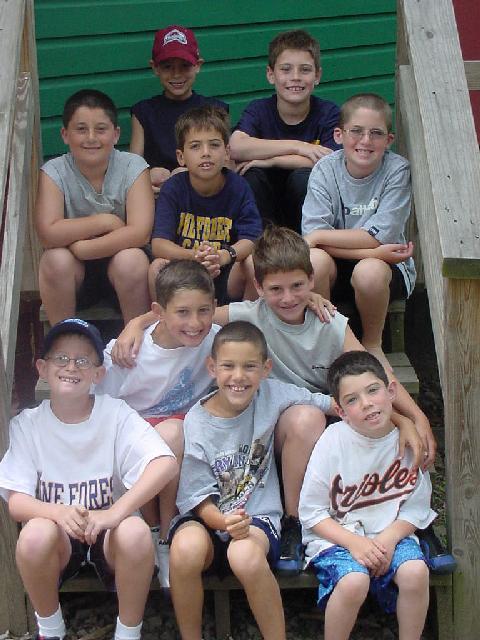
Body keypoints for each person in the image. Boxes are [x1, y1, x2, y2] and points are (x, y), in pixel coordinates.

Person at [111, 226, 435, 575]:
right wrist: (136, 324)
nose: (288, 298)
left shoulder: (328, 321)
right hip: (269, 421)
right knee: (304, 416)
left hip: (321, 417)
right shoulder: (250, 314)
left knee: (316, 417)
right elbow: (189, 311)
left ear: (312, 281)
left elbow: (373, 372)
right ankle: (284, 521)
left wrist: (414, 418)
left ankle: (304, 521)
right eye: (276, 289)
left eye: (297, 286)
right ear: (259, 287)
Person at [0, 318, 177, 640]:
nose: (71, 367)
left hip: (109, 534)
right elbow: (17, 501)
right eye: (61, 358)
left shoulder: (115, 413)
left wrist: (115, 512)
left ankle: (128, 632)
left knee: (136, 531)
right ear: (42, 368)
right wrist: (58, 512)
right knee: (34, 534)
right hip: (59, 534)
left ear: (99, 374)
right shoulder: (28, 424)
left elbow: (164, 463)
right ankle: (50, 630)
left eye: (83, 360)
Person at [169, 321, 333, 640]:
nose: (239, 376)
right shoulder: (197, 421)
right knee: (185, 549)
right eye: (228, 366)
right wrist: (222, 522)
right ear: (212, 368)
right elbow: (198, 497)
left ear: (265, 369)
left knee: (243, 555)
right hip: (208, 519)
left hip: (255, 519)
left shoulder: (271, 394)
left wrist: (403, 420)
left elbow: (330, 403)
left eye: (249, 367)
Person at [94, 259, 220, 587]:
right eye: (183, 313)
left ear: (214, 307)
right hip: (132, 456)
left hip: (184, 450)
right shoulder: (127, 353)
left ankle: (166, 535)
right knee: (171, 432)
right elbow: (98, 410)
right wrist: (137, 324)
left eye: (203, 311)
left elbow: (260, 312)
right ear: (159, 312)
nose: (195, 323)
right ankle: (154, 530)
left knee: (175, 431)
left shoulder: (216, 340)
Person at [299, 351, 436, 640]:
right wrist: (355, 543)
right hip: (337, 537)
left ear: (391, 391)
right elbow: (311, 512)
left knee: (415, 572)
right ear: (340, 411)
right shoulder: (333, 442)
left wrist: (388, 539)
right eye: (352, 400)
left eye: (373, 390)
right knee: (353, 581)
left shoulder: (407, 442)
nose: (366, 403)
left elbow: (416, 508)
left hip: (391, 533)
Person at [302, 93, 416, 371]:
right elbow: (312, 239)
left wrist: (320, 237)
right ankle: (328, 341)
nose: (365, 141)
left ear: (389, 140)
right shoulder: (325, 170)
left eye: (376, 133)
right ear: (339, 135)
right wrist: (373, 251)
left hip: (386, 267)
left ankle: (373, 343)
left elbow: (377, 236)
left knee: (369, 271)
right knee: (314, 260)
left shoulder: (396, 170)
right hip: (354, 261)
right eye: (356, 131)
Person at [35, 89, 154, 326]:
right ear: (65, 134)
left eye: (101, 129)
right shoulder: (54, 171)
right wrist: (105, 221)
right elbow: (48, 233)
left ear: (116, 134)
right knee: (55, 259)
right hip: (75, 278)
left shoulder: (133, 166)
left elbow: (140, 233)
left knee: (131, 259)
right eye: (81, 129)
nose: (91, 138)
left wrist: (85, 249)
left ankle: (138, 340)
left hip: (124, 274)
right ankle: (65, 338)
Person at [149, 105, 262, 305]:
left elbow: (251, 239)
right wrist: (194, 257)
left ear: (227, 152)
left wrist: (224, 256)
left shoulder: (239, 187)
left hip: (226, 270)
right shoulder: (173, 188)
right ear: (181, 157)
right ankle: (166, 321)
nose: (206, 153)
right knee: (157, 267)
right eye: (195, 146)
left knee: (253, 263)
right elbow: (159, 244)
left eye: (214, 145)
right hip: (186, 270)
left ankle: (245, 322)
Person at [229, 29, 340, 232]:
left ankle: (310, 244)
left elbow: (331, 161)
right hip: (266, 205)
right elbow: (236, 147)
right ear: (271, 74)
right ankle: (260, 244)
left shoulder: (328, 113)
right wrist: (299, 147)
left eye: (305, 70)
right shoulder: (259, 110)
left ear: (317, 75)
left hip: (306, 211)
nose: (295, 77)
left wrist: (272, 160)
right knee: (252, 174)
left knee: (304, 177)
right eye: (286, 69)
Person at [130, 25, 228, 194]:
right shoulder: (143, 112)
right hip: (158, 194)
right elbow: (133, 166)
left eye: (185, 66)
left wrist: (192, 175)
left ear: (198, 65)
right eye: (167, 66)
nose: (176, 74)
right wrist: (145, 179)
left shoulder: (216, 109)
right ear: (155, 68)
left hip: (203, 193)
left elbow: (226, 164)